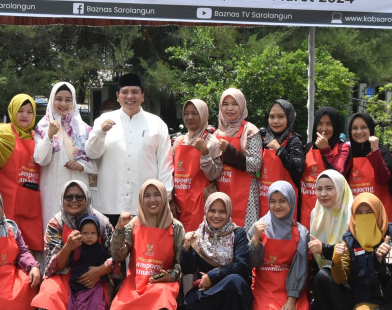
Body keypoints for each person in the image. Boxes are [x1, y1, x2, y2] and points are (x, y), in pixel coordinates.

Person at [85, 73, 172, 223]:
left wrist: (164, 198)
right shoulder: (103, 121)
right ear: (118, 95)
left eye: (135, 92)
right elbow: (92, 153)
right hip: (108, 204)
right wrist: (101, 132)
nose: (130, 96)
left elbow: (165, 165)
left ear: (143, 95)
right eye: (125, 92)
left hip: (146, 206)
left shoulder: (156, 124)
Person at [33, 181, 116, 310]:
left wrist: (100, 270)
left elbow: (117, 257)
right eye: (69, 197)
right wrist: (68, 247)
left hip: (96, 277)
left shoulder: (102, 223)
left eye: (79, 197)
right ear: (62, 199)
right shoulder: (55, 224)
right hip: (65, 274)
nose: (74, 201)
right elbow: (54, 266)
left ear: (87, 199)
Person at [310, 192, 392, 310]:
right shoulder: (350, 240)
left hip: (390, 298)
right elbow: (341, 278)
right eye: (359, 213)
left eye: (369, 212)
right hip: (364, 300)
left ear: (378, 212)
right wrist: (336, 259)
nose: (364, 217)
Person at [108, 179, 183, 310]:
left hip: (162, 285)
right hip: (136, 283)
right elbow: (117, 256)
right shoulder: (134, 223)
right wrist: (120, 229)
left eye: (157, 195)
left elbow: (182, 264)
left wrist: (169, 276)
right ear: (141, 199)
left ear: (164, 197)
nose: (152, 200)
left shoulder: (176, 227)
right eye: (147, 196)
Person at [180, 191, 253, 310]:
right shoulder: (198, 236)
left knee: (235, 281)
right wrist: (186, 248)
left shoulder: (238, 234)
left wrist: (213, 276)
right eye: (212, 211)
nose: (216, 216)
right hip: (208, 292)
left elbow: (241, 266)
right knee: (190, 302)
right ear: (206, 211)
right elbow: (188, 269)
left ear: (229, 213)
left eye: (222, 211)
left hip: (230, 291)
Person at [248, 181, 312, 310]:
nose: (277, 206)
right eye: (273, 201)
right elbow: (250, 263)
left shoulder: (301, 232)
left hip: (291, 288)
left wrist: (292, 299)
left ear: (291, 201)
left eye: (282, 201)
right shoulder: (258, 227)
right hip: (264, 287)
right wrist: (255, 239)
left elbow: (300, 267)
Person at [0, 94, 44, 258]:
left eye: (29, 112)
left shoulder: (38, 137)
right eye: (20, 111)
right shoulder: (3, 132)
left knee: (30, 255)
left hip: (32, 205)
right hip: (7, 202)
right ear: (12, 111)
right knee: (6, 250)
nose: (25, 115)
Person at [33, 82, 95, 238]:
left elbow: (96, 163)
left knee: (79, 230)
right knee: (53, 228)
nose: (63, 104)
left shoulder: (84, 129)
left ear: (73, 102)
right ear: (52, 100)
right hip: (52, 187)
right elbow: (41, 159)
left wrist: (81, 166)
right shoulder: (42, 126)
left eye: (68, 99)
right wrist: (49, 135)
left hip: (79, 186)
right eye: (59, 99)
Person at [214, 88, 262, 231]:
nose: (229, 108)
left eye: (234, 104)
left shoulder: (251, 131)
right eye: (225, 104)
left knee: (242, 238)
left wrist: (230, 152)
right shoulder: (217, 133)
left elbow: (257, 164)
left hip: (245, 196)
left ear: (241, 106)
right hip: (221, 192)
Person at [171, 98, 222, 232]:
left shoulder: (212, 142)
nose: (190, 117)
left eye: (195, 113)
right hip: (179, 202)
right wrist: (171, 200)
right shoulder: (178, 142)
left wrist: (204, 152)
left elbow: (215, 174)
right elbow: (170, 173)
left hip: (201, 203)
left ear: (204, 115)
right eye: (186, 113)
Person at [344, 112, 392, 223]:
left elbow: (384, 179)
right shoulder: (346, 154)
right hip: (356, 217)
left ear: (370, 129)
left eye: (363, 127)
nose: (359, 132)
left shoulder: (382, 151)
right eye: (355, 128)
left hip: (382, 215)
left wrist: (375, 152)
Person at [66, 216, 111, 310]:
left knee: (99, 303)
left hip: (97, 284)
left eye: (93, 233)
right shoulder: (77, 249)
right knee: (81, 305)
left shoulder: (101, 249)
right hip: (80, 285)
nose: (89, 236)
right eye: (85, 233)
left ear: (98, 234)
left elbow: (109, 264)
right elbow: (72, 261)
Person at [258, 99, 305, 216]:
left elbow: (298, 169)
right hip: (265, 201)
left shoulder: (294, 141)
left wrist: (279, 150)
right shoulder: (263, 140)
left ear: (289, 118)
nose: (275, 121)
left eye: (280, 116)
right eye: (272, 117)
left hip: (285, 204)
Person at [301, 107, 346, 222]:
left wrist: (325, 150)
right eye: (320, 124)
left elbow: (338, 174)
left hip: (333, 215)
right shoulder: (307, 147)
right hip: (306, 213)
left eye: (329, 124)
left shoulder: (343, 148)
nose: (324, 129)